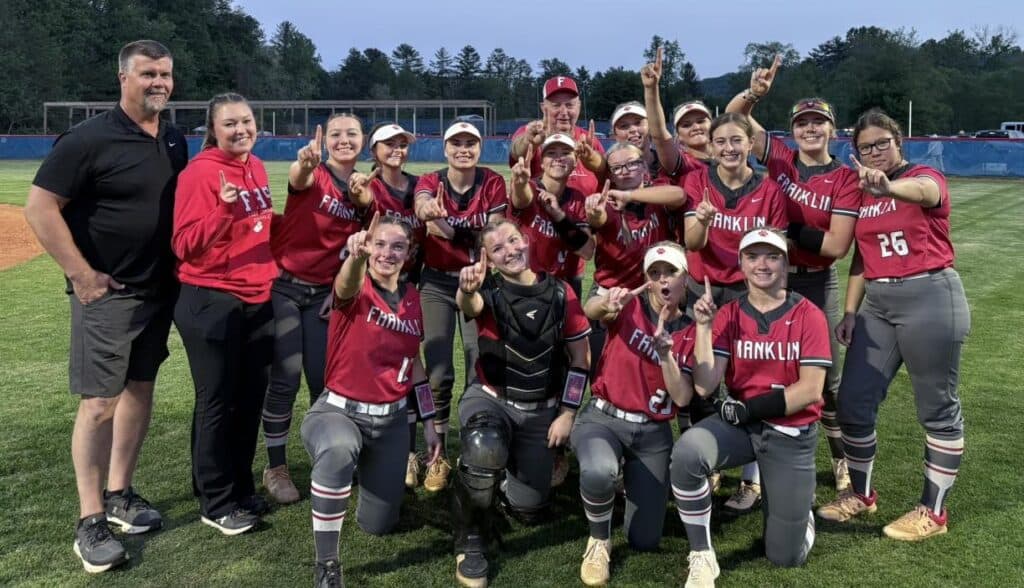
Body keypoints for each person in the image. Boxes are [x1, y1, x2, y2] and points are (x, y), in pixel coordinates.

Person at [24, 39, 186, 573]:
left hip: (157, 291)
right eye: (147, 74)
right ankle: (90, 519)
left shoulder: (173, 137)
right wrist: (81, 274)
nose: (158, 82)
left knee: (140, 390)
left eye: (165, 74)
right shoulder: (89, 138)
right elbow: (41, 205)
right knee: (99, 403)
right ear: (123, 78)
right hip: (109, 295)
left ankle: (120, 494)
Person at [816, 110, 970, 542]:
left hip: (930, 295)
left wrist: (889, 186)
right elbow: (862, 256)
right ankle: (862, 495)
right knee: (853, 402)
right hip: (879, 304)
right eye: (866, 147)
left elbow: (923, 192)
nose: (875, 152)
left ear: (898, 142)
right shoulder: (861, 192)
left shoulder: (922, 175)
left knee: (937, 409)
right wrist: (849, 311)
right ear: (856, 151)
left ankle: (932, 513)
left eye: (882, 143)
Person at [725, 56, 861, 496]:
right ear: (793, 129)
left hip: (815, 281)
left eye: (817, 123)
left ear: (832, 130)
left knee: (826, 380)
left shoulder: (843, 177)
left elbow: (837, 246)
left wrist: (783, 231)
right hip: (768, 278)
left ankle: (841, 461)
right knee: (759, 368)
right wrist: (755, 94)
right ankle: (755, 466)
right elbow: (733, 117)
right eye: (802, 123)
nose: (809, 130)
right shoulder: (780, 156)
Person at [672, 228, 832, 587]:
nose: (763, 264)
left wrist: (749, 409)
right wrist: (702, 328)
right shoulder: (729, 314)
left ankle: (799, 510)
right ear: (741, 264)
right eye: (753, 256)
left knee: (784, 556)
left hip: (789, 431)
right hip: (743, 428)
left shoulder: (809, 315)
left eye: (772, 256)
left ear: (787, 263)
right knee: (687, 452)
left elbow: (810, 390)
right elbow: (704, 385)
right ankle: (702, 553)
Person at [300, 213, 442, 588]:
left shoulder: (412, 298)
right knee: (338, 448)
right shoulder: (356, 285)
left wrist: (429, 422)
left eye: (397, 246)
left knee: (378, 525)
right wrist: (357, 258)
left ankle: (360, 476)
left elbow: (416, 367)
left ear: (409, 252)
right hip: (338, 412)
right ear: (368, 245)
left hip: (392, 420)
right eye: (379, 243)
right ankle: (327, 564)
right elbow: (344, 284)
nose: (387, 252)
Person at [450, 219, 591, 588]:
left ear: (526, 240)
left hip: (541, 410)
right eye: (497, 249)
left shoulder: (561, 291)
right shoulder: (487, 288)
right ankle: (472, 542)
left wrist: (568, 413)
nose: (509, 251)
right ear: (489, 259)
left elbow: (580, 359)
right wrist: (467, 289)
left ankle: (496, 479)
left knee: (530, 510)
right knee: (484, 446)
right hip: (491, 399)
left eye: (513, 241)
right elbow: (470, 303)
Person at [172, 93, 277, 536]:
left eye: (247, 121)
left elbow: (261, 225)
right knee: (217, 400)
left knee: (250, 398)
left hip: (256, 295)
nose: (241, 130)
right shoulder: (200, 173)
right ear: (212, 130)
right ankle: (215, 500)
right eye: (230, 124)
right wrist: (223, 210)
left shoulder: (254, 166)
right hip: (210, 297)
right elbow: (184, 244)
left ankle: (239, 484)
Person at [262, 113, 372, 505]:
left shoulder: (362, 188)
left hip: (324, 295)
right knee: (285, 376)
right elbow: (298, 177)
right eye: (336, 134)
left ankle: (326, 457)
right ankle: (275, 466)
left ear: (363, 140)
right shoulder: (316, 173)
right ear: (326, 142)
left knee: (323, 383)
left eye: (352, 134)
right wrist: (305, 163)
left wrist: (366, 201)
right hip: (287, 287)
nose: (344, 140)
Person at [573, 242, 695, 586]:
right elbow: (592, 309)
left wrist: (666, 356)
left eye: (671, 272)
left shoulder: (690, 328)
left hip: (652, 434)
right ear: (647, 280)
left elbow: (683, 397)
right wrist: (606, 301)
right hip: (604, 419)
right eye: (654, 274)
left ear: (685, 277)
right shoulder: (630, 305)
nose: (662, 280)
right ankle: (599, 540)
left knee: (645, 539)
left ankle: (627, 488)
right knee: (599, 471)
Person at [414, 122, 508, 492]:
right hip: (437, 279)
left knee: (477, 363)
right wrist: (429, 211)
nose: (463, 149)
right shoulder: (430, 180)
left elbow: (495, 232)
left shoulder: (492, 182)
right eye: (456, 143)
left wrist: (451, 229)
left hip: (479, 280)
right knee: (437, 368)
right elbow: (424, 210)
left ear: (480, 148)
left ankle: (475, 446)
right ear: (445, 148)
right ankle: (436, 453)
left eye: (470, 143)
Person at [362, 122, 429, 489]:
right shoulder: (368, 187)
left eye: (402, 144)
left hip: (412, 288)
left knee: (410, 365)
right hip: (376, 290)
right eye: (389, 144)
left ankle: (409, 450)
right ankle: (378, 444)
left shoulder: (421, 186)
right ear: (375, 150)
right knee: (381, 365)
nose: (397, 150)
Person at [583, 142, 685, 365]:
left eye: (632, 163)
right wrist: (594, 216)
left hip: (654, 296)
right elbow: (600, 218)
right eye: (617, 167)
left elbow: (679, 195)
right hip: (614, 294)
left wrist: (630, 195)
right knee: (608, 363)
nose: (626, 170)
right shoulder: (607, 203)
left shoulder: (657, 193)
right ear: (610, 174)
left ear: (645, 168)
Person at [509, 132, 594, 295]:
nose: (558, 158)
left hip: (564, 285)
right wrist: (519, 185)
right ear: (541, 163)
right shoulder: (532, 189)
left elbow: (587, 251)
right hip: (527, 281)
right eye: (551, 153)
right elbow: (521, 198)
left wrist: (559, 216)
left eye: (565, 153)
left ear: (576, 162)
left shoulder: (577, 199)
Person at [509, 76, 606, 195]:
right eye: (556, 105)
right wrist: (529, 142)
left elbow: (605, 171)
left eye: (570, 105)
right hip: (539, 211)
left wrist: (592, 158)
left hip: (585, 211)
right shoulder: (532, 132)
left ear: (579, 107)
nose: (564, 112)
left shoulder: (588, 139)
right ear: (543, 108)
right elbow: (517, 152)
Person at [640, 47, 713, 183]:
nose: (696, 126)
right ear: (678, 137)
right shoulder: (680, 162)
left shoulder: (729, 159)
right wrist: (651, 89)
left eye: (701, 121)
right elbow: (660, 136)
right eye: (686, 125)